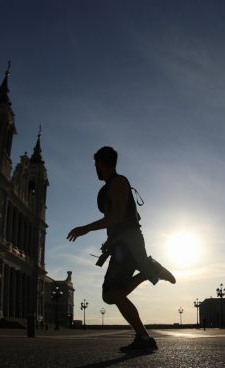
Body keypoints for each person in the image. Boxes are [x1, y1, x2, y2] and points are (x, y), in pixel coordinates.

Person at [67, 146, 176, 353]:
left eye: (96, 165)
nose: (95, 169)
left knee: (111, 294)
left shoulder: (117, 182)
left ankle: (144, 337)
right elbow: (118, 218)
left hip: (128, 244)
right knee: (111, 295)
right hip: (122, 243)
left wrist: (86, 229)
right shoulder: (111, 185)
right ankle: (147, 273)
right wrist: (111, 240)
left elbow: (117, 217)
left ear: (102, 163)